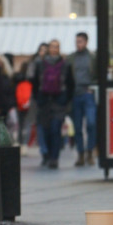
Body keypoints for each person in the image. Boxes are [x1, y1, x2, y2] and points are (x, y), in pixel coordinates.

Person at [33, 39, 73, 169]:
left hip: (58, 101)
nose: (54, 49)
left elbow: (70, 83)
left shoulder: (65, 64)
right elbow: (34, 82)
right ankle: (48, 155)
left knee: (55, 130)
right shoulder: (40, 63)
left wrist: (66, 100)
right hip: (45, 101)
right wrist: (38, 99)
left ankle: (54, 158)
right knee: (45, 130)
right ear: (48, 48)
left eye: (57, 47)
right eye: (52, 47)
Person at [69, 32, 98, 166]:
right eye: (76, 41)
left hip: (88, 93)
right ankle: (80, 153)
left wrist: (93, 87)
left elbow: (97, 74)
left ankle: (90, 152)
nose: (78, 44)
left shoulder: (92, 57)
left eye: (80, 41)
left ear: (86, 42)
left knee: (91, 123)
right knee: (77, 126)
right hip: (76, 94)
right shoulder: (71, 58)